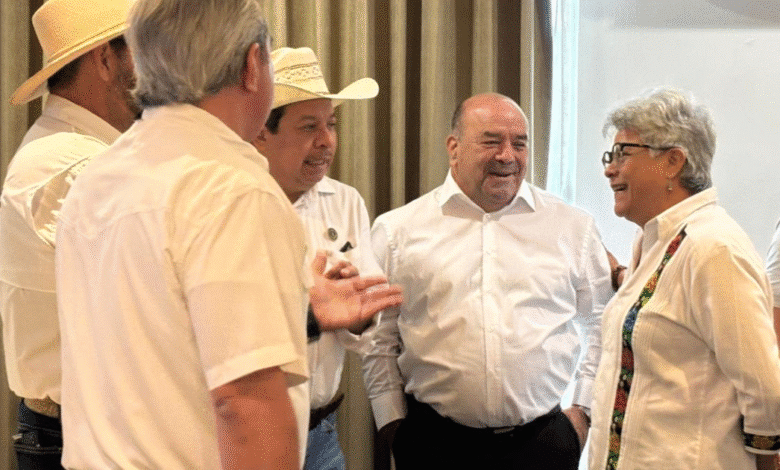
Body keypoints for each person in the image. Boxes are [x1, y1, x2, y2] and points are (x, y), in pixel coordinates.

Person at [54, 1, 401, 468]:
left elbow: (161, 342)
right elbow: (245, 406)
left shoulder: (96, 179)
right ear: (253, 65)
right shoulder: (233, 190)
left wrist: (302, 311)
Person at [362, 92, 613, 469]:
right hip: (435, 445)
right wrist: (392, 423)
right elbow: (379, 337)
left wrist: (584, 411)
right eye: (491, 141)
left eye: (520, 144)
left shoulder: (572, 227)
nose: (507, 156)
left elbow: (600, 322)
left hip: (543, 445)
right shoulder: (397, 231)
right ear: (454, 148)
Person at [590, 88, 780, 470]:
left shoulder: (714, 248)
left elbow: (765, 391)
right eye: (610, 156)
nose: (610, 169)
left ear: (673, 161)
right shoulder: (652, 240)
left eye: (623, 153)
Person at [0, 0, 138, 467]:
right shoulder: (77, 166)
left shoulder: (77, 154)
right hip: (85, 435)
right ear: (106, 59)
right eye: (145, 49)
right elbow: (160, 297)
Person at [253, 46, 381, 470]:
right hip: (245, 435)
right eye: (309, 127)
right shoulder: (233, 205)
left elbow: (366, 331)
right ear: (261, 133)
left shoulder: (345, 201)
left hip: (320, 435)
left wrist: (357, 314)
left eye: (331, 125)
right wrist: (309, 312)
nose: (326, 142)